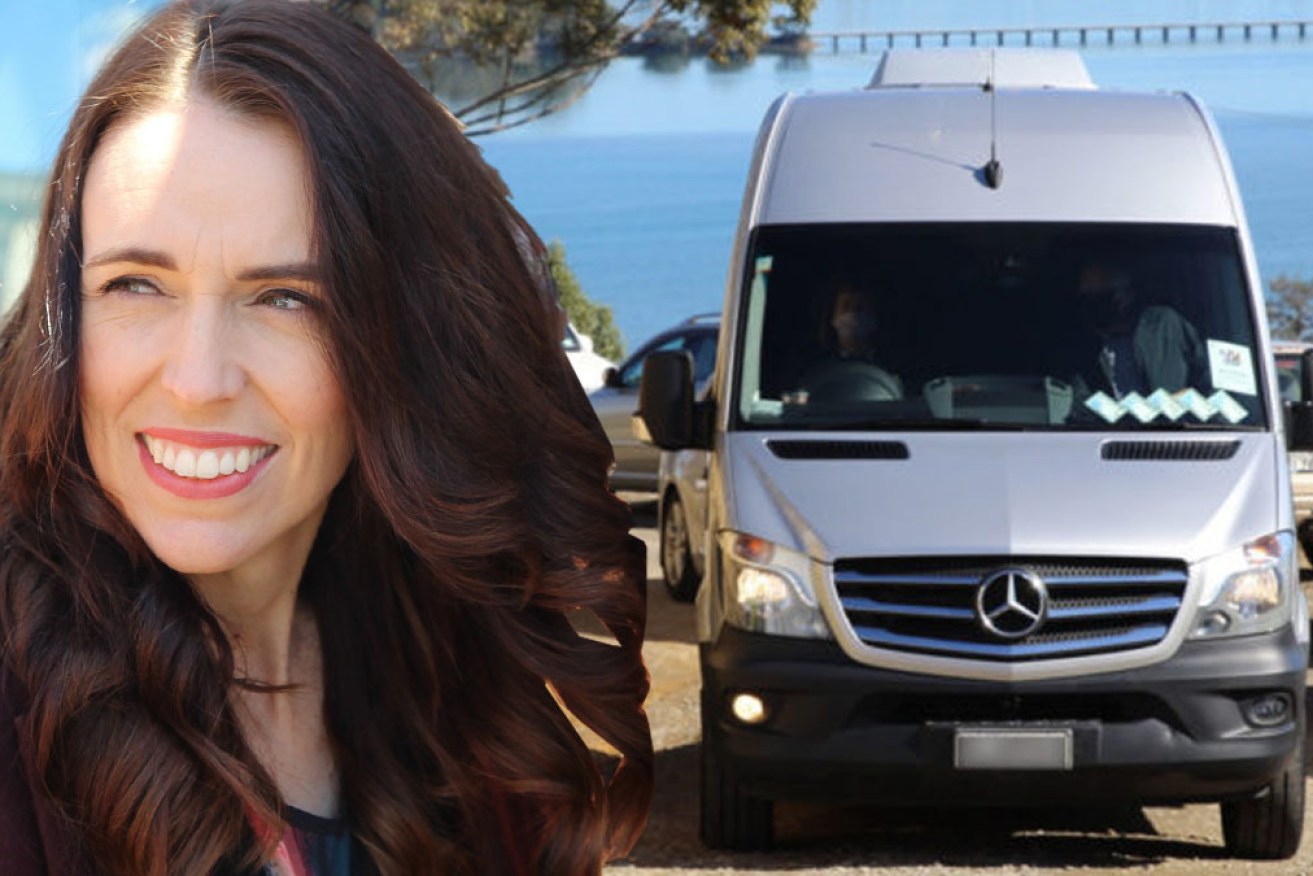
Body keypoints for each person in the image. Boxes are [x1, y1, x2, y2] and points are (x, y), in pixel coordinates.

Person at [0, 2, 651, 874]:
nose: (198, 380)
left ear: (405, 342)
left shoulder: (450, 685)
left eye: (287, 299)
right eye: (136, 285)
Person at [1073, 263, 1206, 399]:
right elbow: (1081, 410)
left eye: (1100, 295)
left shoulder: (1163, 326)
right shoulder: (1091, 352)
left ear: (1125, 294)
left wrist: (1185, 398)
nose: (1094, 305)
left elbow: (1210, 381)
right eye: (1087, 297)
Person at [793, 281, 902, 402]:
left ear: (874, 320)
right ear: (834, 319)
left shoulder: (894, 366)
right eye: (846, 307)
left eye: (860, 308)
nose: (854, 313)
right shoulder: (814, 368)